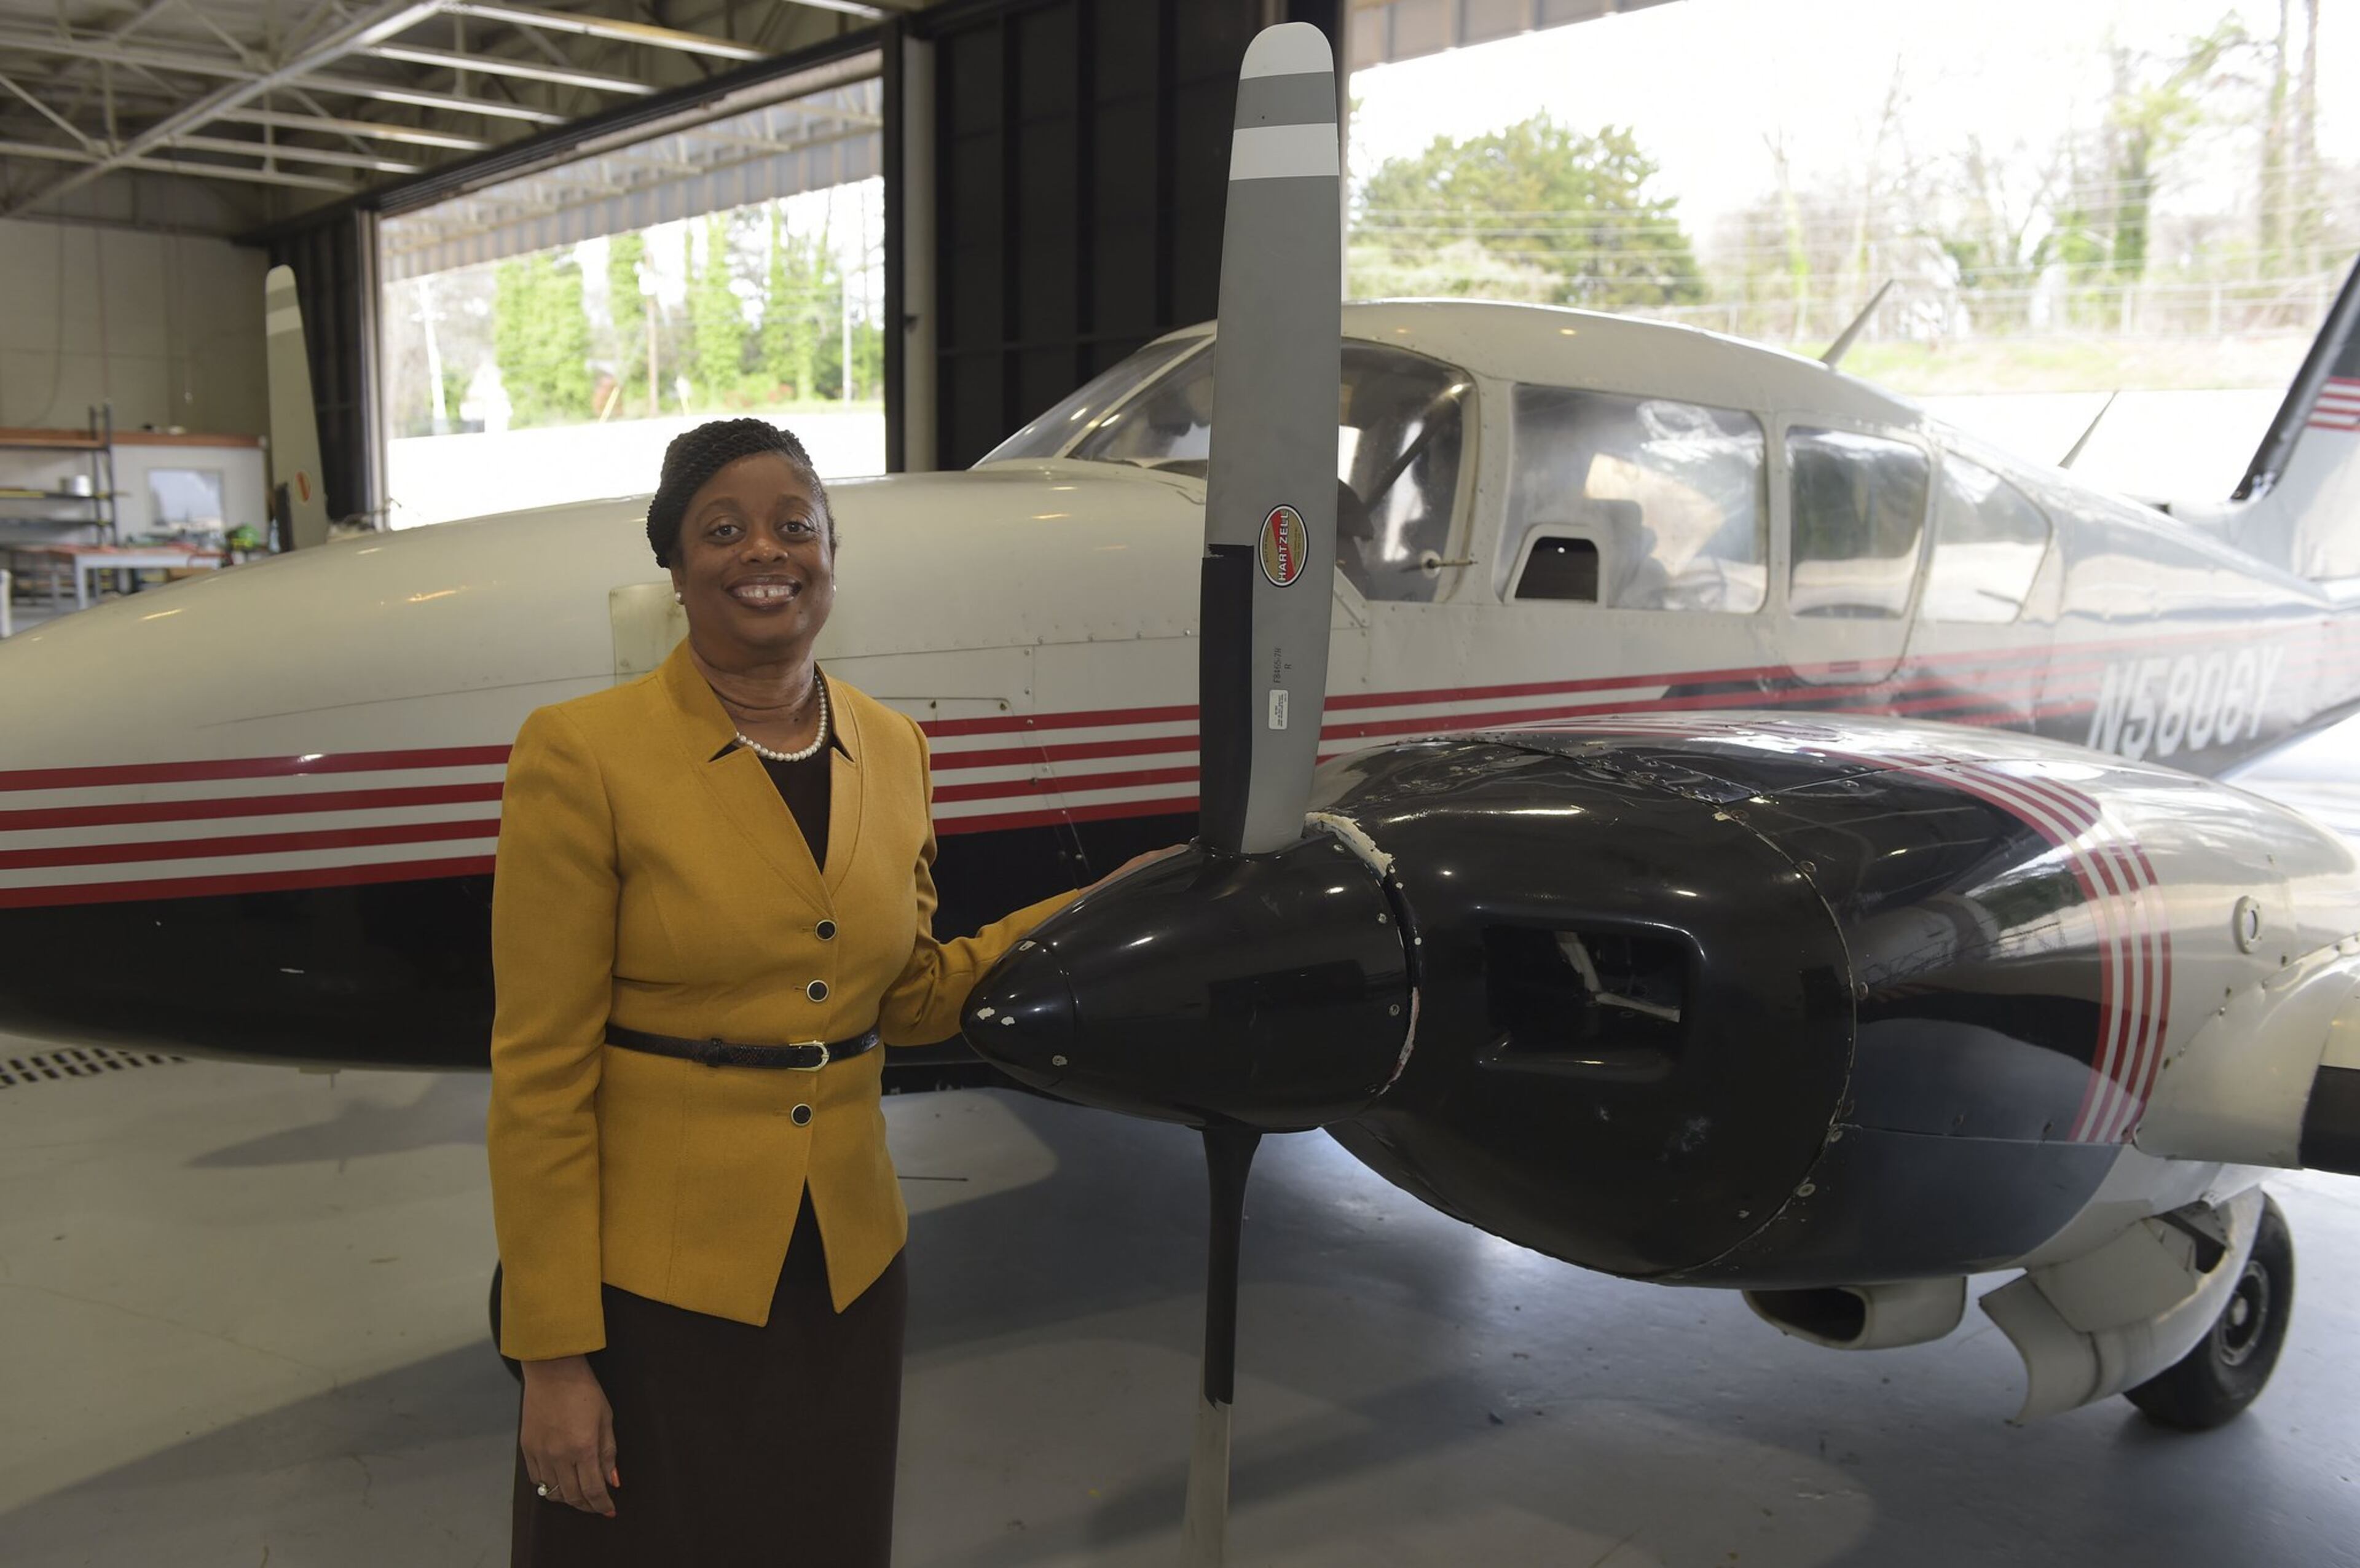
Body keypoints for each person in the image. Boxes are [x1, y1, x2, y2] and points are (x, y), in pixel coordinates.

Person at [488, 418, 1171, 1566]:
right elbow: (539, 1077)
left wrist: (1095, 909)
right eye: (724, 530)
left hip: (845, 1267)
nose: (765, 551)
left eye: (794, 525)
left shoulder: (894, 748)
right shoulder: (581, 754)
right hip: (656, 1279)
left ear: (831, 558)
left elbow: (910, 999)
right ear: (676, 568)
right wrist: (552, 1356)